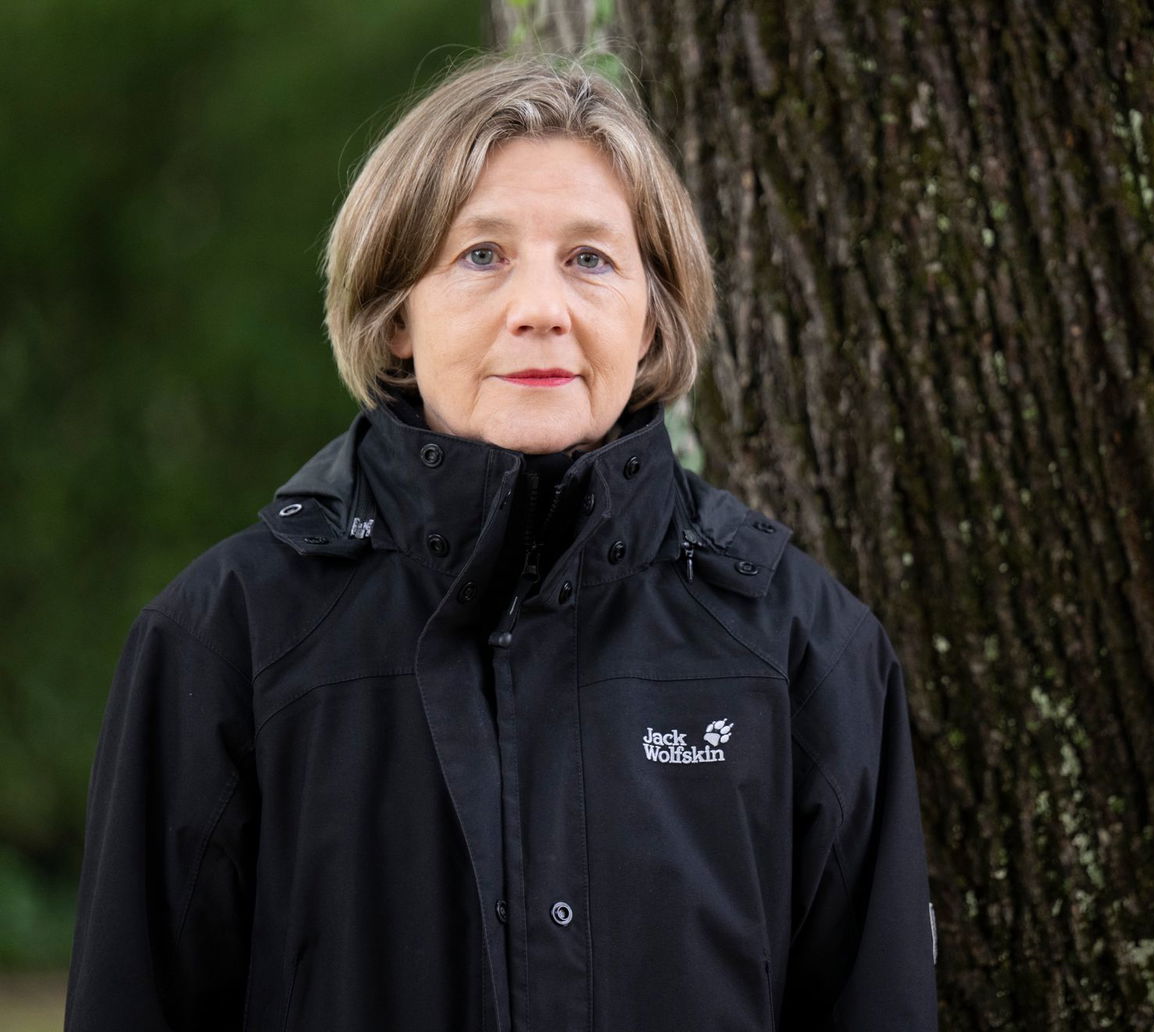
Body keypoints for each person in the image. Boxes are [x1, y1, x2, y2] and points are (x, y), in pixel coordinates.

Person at [64, 53, 938, 1031]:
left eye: (590, 259)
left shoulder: (802, 644)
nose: (540, 310)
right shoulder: (226, 638)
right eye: (481, 256)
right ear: (396, 315)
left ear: (651, 319)